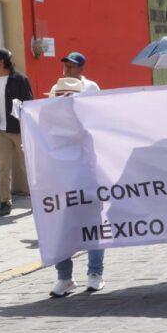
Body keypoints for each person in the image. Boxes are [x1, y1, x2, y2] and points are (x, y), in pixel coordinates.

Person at [46, 77, 107, 297]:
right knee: (60, 231)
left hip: (87, 179)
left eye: (68, 95)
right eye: (60, 95)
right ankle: (64, 278)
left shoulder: (88, 118)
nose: (64, 99)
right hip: (59, 183)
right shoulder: (47, 119)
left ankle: (95, 274)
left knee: (93, 228)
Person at [0, 48, 34, 217]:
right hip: (0, 131)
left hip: (19, 130)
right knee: (3, 168)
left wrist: (28, 128)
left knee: (27, 166)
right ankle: (5, 202)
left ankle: (35, 200)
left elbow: (29, 103)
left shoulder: (19, 79)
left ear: (1, 61)